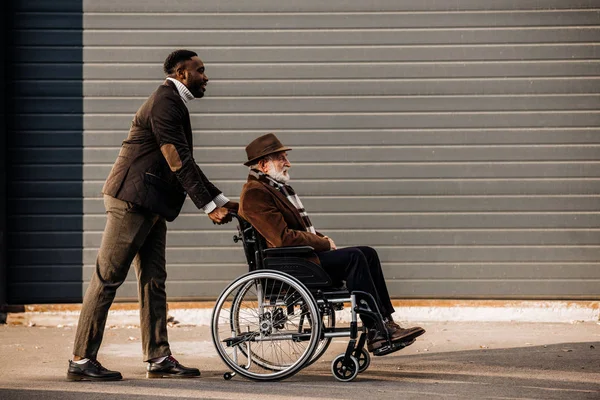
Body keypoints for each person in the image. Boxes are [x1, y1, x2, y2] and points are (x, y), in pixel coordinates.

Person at [67, 50, 237, 381]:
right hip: (131, 201)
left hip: (152, 204)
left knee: (154, 280)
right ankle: (81, 359)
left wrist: (221, 200)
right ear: (182, 72)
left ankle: (159, 357)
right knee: (107, 278)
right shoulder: (165, 101)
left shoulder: (174, 101)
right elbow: (177, 159)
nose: (206, 76)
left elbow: (185, 160)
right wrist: (209, 207)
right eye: (200, 70)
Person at [238, 133, 425, 354]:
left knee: (368, 253)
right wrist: (322, 243)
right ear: (263, 164)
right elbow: (282, 238)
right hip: (292, 264)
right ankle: (376, 331)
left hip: (301, 258)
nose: (288, 163)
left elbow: (297, 229)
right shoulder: (255, 194)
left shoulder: (274, 189)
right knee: (355, 257)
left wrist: (321, 239)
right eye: (281, 158)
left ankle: (385, 323)